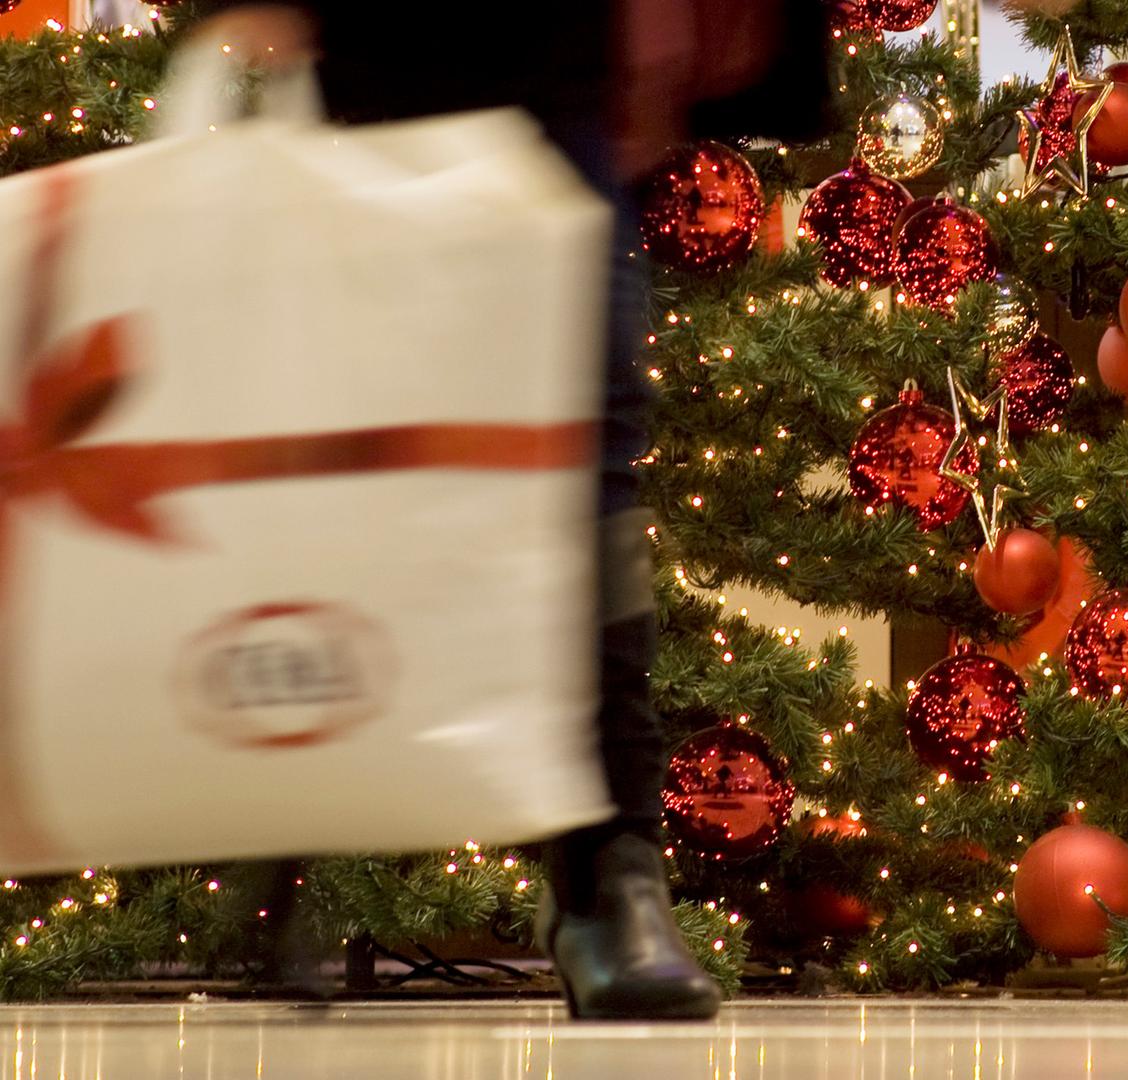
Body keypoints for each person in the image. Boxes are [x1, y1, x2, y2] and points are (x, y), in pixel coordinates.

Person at [188, 1, 828, 1021]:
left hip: (557, 52)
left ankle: (613, 879)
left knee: (582, 440)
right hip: (368, 67)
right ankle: (283, 862)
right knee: (329, 441)